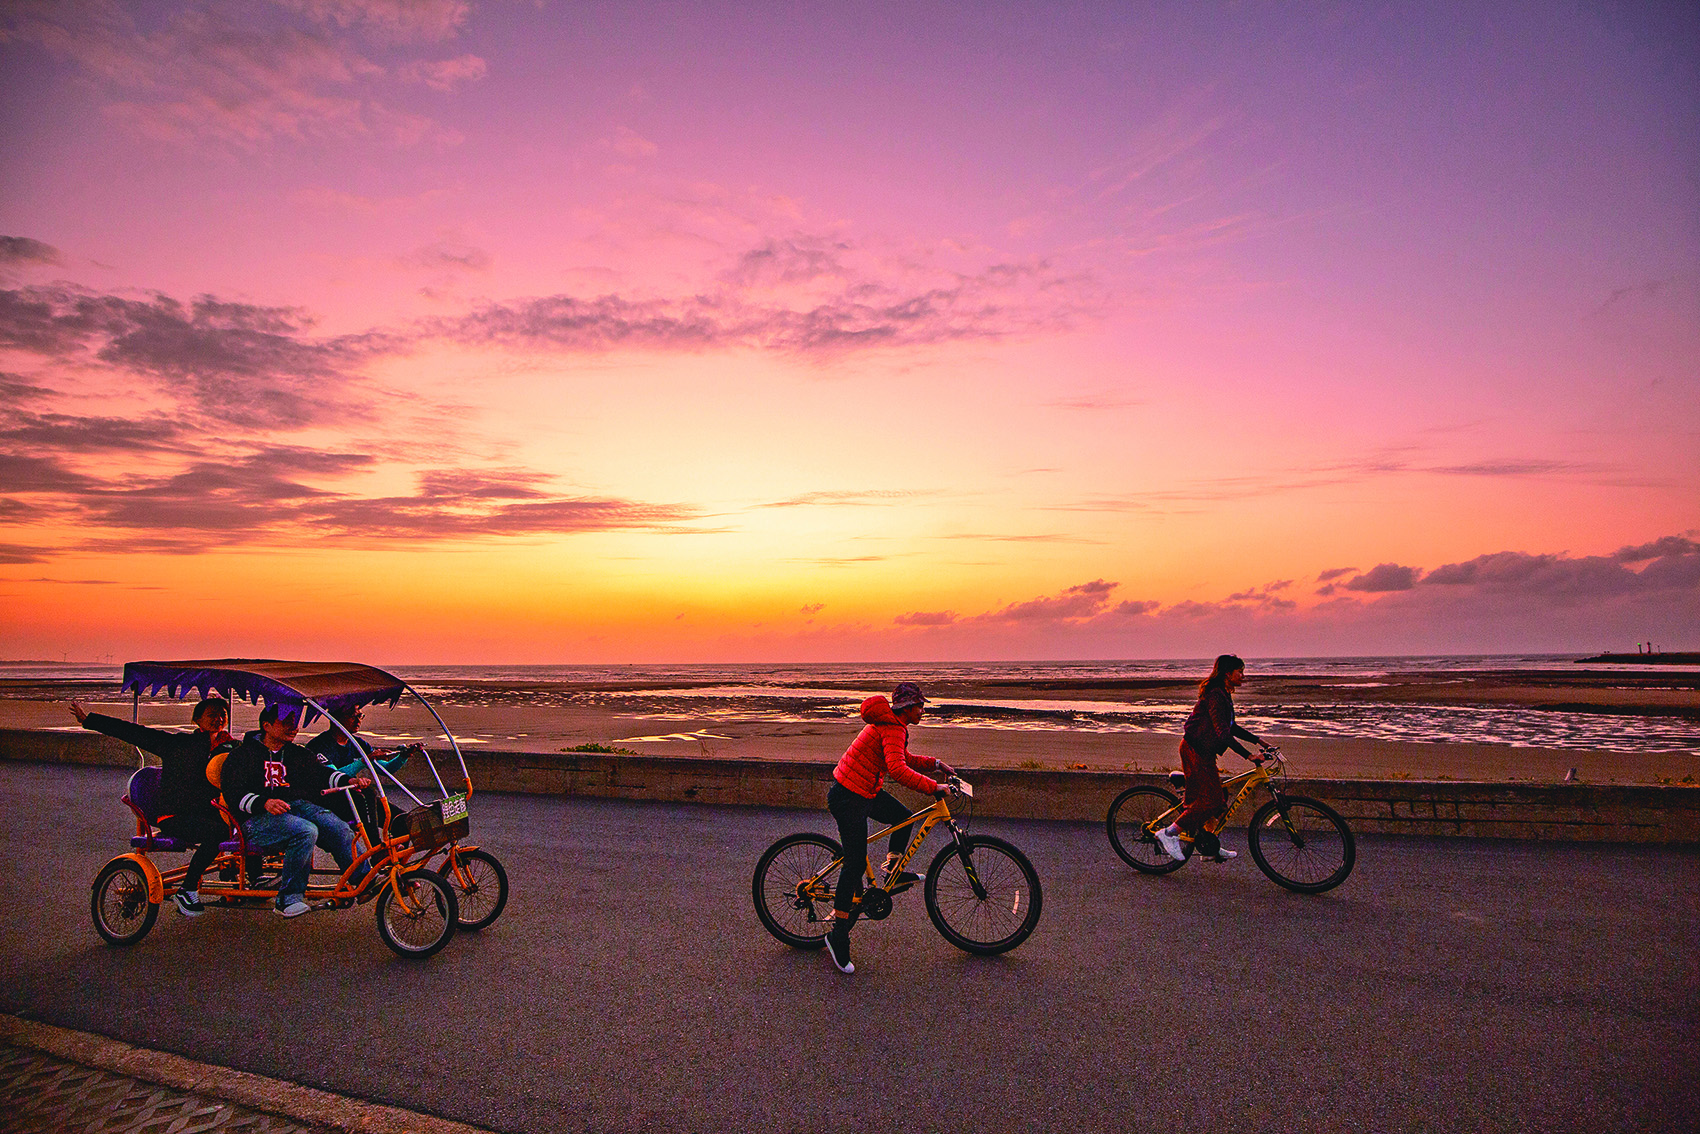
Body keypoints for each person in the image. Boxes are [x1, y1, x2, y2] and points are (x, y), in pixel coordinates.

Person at [823, 681, 955, 975]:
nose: (922, 711)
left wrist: (936, 764)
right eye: (920, 706)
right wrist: (933, 787)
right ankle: (838, 936)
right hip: (849, 797)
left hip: (864, 791)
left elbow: (902, 758)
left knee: (904, 817)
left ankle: (892, 870)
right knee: (855, 864)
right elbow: (897, 769)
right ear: (907, 707)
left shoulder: (893, 725)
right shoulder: (893, 727)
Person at [70, 696, 234, 916]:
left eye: (223, 714)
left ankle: (253, 876)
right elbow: (134, 732)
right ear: (197, 719)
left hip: (211, 813)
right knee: (219, 832)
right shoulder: (178, 744)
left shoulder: (230, 747)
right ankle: (187, 889)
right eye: (212, 714)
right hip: (175, 815)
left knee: (247, 822)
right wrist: (89, 720)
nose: (219, 719)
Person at [220, 703, 373, 917]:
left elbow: (322, 774)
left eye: (295, 723)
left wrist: (348, 780)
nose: (294, 728)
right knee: (305, 830)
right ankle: (288, 900)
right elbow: (233, 795)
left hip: (294, 808)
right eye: (286, 723)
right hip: (254, 820)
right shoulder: (241, 756)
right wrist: (264, 802)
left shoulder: (297, 753)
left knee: (336, 827)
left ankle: (365, 881)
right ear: (266, 725)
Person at [1155, 654, 1268, 863]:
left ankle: (1209, 845)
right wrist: (1249, 755)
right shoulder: (1216, 695)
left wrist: (1258, 740)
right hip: (1195, 750)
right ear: (1227, 673)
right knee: (1211, 800)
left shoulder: (1223, 693)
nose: (1243, 676)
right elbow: (1223, 733)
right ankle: (1169, 833)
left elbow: (1231, 726)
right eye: (1240, 672)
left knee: (1219, 796)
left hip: (1204, 751)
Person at [303, 704, 411, 836]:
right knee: (367, 796)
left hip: (355, 797)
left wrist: (403, 756)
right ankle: (375, 845)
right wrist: (363, 761)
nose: (358, 720)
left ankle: (396, 849)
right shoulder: (319, 745)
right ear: (335, 718)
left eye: (360, 716)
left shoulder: (358, 743)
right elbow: (332, 776)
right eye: (353, 716)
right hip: (330, 799)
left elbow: (385, 769)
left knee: (402, 820)